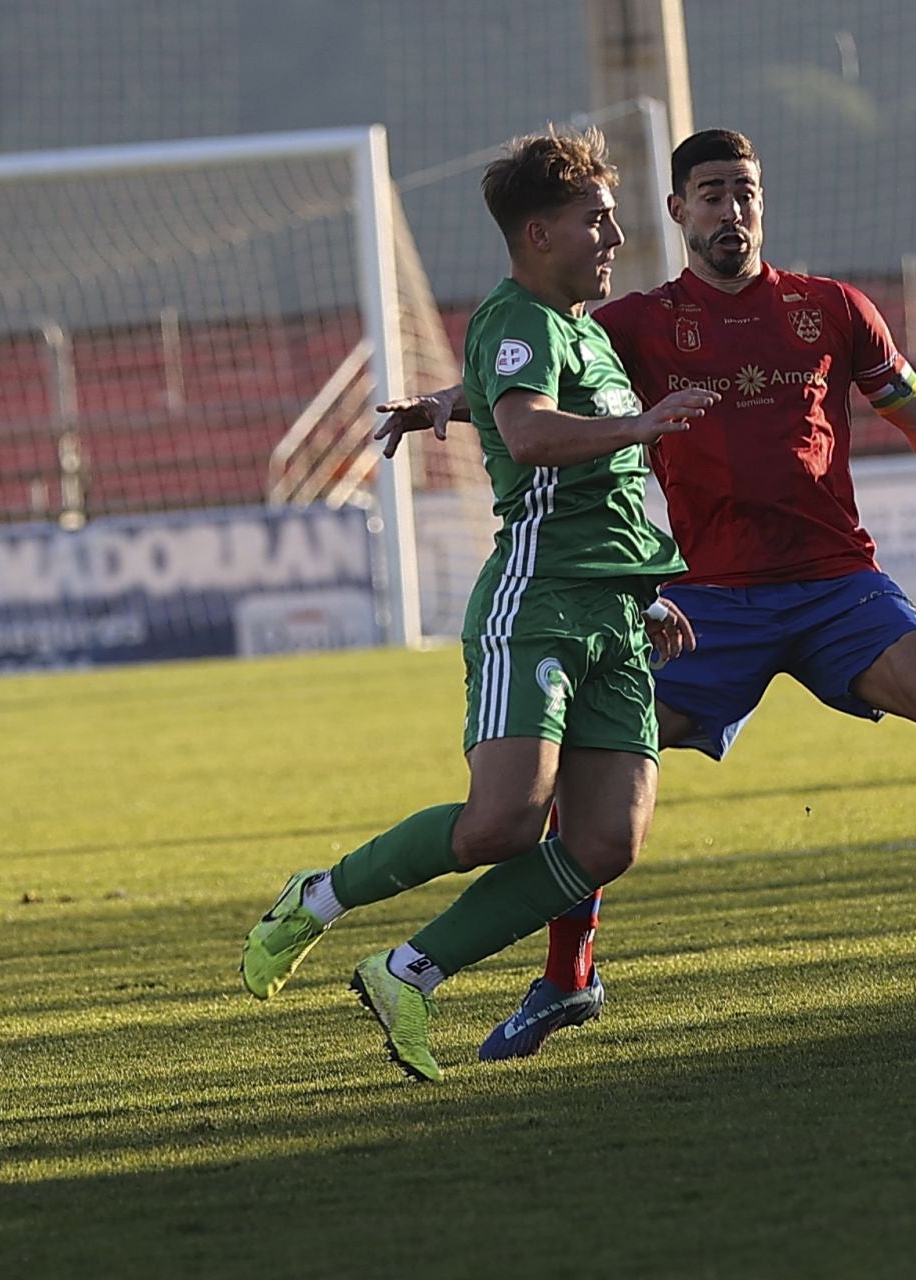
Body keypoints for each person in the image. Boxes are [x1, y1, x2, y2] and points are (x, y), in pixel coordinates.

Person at [378, 128, 916, 1062]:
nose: (733, 210)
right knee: (589, 765)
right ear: (678, 212)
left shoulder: (830, 309)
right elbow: (525, 370)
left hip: (834, 583)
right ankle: (567, 980)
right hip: (710, 599)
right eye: (713, 195)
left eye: (746, 191)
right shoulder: (639, 324)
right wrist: (443, 401)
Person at [239, 125, 719, 1083]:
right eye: (597, 219)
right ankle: (317, 898)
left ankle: (407, 973)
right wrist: (642, 421)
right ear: (538, 233)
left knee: (606, 841)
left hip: (615, 613)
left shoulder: (576, 326)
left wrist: (641, 587)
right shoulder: (517, 316)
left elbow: (516, 401)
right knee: (501, 824)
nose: (616, 236)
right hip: (535, 607)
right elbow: (532, 431)